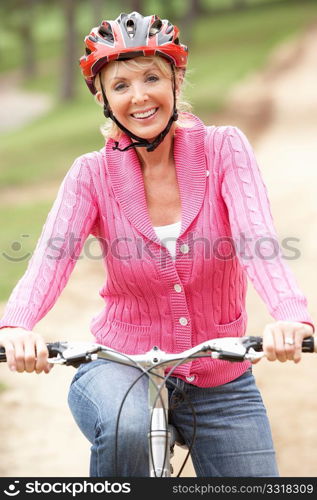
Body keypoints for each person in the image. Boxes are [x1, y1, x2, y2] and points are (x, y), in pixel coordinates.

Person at [0, 11, 314, 477]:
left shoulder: (223, 149)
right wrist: (16, 326)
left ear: (176, 81)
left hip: (219, 374)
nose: (140, 96)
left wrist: (290, 316)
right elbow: (50, 258)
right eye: (121, 85)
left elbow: (258, 240)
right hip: (119, 365)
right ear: (103, 97)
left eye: (152, 77)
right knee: (127, 426)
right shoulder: (91, 174)